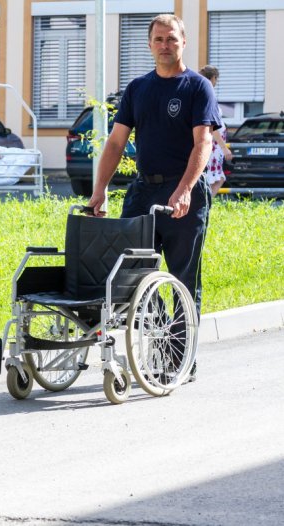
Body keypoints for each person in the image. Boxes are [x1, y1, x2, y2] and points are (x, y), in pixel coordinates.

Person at [87, 14, 220, 379]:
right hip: (143, 191)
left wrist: (184, 190)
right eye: (159, 39)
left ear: (183, 42)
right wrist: (99, 190)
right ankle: (162, 338)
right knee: (129, 276)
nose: (165, 45)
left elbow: (203, 143)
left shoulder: (196, 88)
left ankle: (180, 359)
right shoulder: (138, 89)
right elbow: (116, 142)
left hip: (183, 195)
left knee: (182, 279)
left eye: (171, 39)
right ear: (149, 44)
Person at [198, 65, 233, 196]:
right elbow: (212, 126)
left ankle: (206, 205)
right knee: (215, 178)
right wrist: (224, 148)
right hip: (213, 146)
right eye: (216, 78)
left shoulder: (202, 93)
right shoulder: (207, 95)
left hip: (214, 146)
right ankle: (205, 206)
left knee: (216, 178)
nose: (216, 82)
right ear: (212, 78)